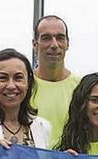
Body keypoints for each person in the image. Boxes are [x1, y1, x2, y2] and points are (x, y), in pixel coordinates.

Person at [30, 15, 80, 144]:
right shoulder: (23, 87)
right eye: (46, 38)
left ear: (67, 44)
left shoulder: (82, 88)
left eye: (60, 38)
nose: (54, 45)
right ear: (35, 44)